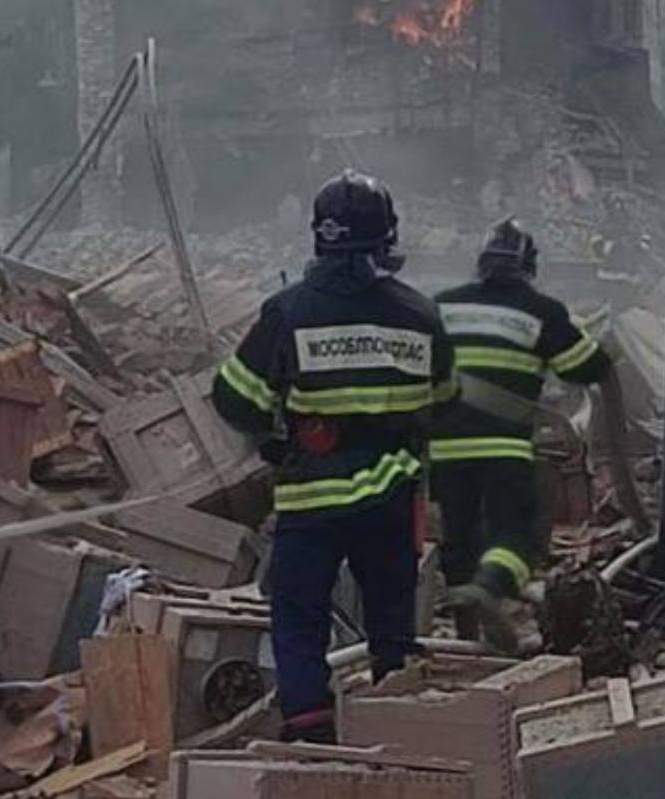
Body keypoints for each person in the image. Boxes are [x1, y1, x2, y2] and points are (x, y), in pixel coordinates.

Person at [208, 171, 452, 743]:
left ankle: (312, 735)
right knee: (392, 621)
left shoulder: (287, 312)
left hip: (310, 499)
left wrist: (278, 435)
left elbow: (234, 399)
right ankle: (401, 724)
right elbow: (441, 404)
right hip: (390, 499)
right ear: (387, 237)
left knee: (298, 620)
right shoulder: (420, 315)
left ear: (320, 237)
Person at [429, 218, 617, 649]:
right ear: (528, 268)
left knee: (459, 534)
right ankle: (491, 586)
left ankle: (466, 638)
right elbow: (587, 368)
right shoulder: (542, 311)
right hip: (503, 445)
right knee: (517, 532)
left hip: (444, 447)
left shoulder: (442, 305)